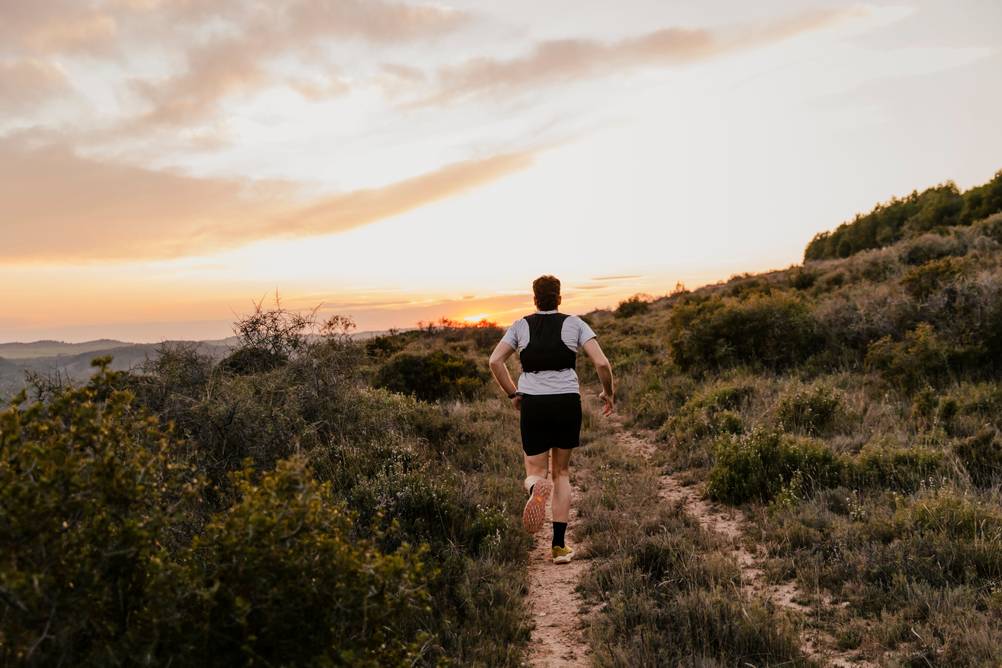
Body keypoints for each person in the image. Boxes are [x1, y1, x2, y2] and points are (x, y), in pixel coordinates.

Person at [488, 275, 614, 564]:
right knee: (562, 473)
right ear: (559, 298)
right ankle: (559, 547)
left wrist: (513, 394)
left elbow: (495, 361)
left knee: (535, 468)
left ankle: (535, 488)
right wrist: (608, 393)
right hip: (566, 401)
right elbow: (602, 363)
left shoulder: (520, 325)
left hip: (534, 401)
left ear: (534, 299)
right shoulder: (575, 324)